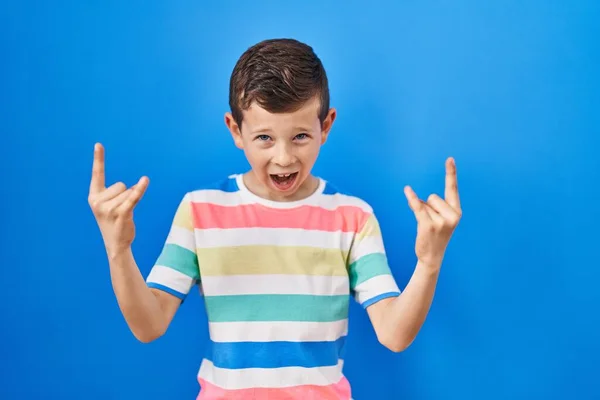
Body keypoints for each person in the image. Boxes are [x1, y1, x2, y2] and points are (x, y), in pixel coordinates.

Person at [88, 38, 462, 400]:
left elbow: (394, 334)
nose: (283, 158)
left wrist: (429, 263)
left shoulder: (353, 217)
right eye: (265, 138)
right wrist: (117, 249)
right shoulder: (200, 210)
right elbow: (149, 324)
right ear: (236, 130)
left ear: (326, 126)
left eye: (300, 136)